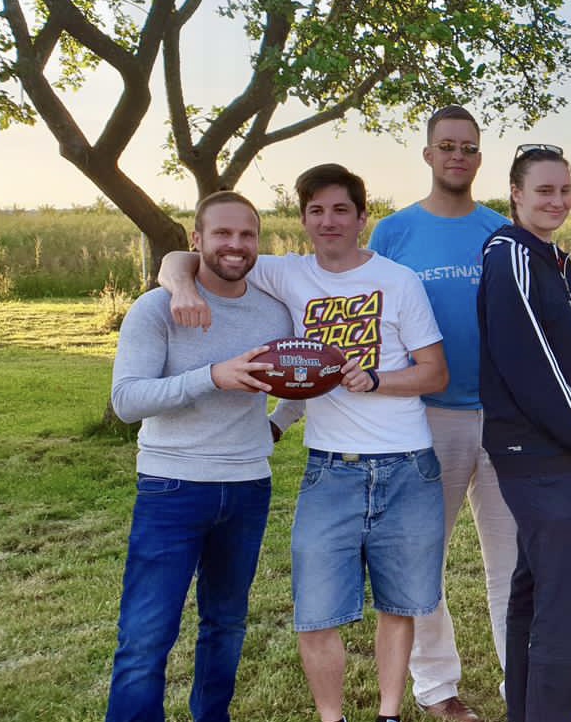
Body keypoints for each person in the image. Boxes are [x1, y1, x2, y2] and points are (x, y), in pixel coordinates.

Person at [162, 165, 450, 722]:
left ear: (363, 217)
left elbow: (435, 374)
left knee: (400, 604)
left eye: (342, 210)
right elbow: (183, 258)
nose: (329, 221)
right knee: (316, 613)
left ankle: (389, 713)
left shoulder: (398, 281)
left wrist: (377, 380)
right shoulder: (285, 274)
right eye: (316, 211)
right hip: (330, 470)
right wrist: (177, 287)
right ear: (303, 219)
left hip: (408, 465)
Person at [105, 191, 293, 722]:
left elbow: (307, 376)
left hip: (249, 487)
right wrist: (212, 377)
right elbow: (126, 401)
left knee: (226, 625)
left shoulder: (275, 311)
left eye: (246, 235)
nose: (235, 245)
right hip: (172, 487)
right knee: (146, 637)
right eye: (222, 234)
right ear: (197, 240)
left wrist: (277, 424)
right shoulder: (157, 307)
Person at [367, 104, 511, 722]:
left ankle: (522, 677)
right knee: (423, 557)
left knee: (512, 561)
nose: (458, 156)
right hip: (427, 418)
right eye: (447, 146)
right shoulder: (394, 234)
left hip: (505, 418)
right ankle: (438, 688)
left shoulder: (501, 231)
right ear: (428, 154)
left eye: (469, 147)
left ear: (480, 158)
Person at [477, 144, 571, 722]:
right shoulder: (510, 256)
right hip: (533, 453)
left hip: (561, 450)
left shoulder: (553, 259)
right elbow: (529, 363)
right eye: (544, 190)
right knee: (567, 604)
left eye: (564, 190)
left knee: (533, 589)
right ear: (516, 193)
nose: (557, 200)